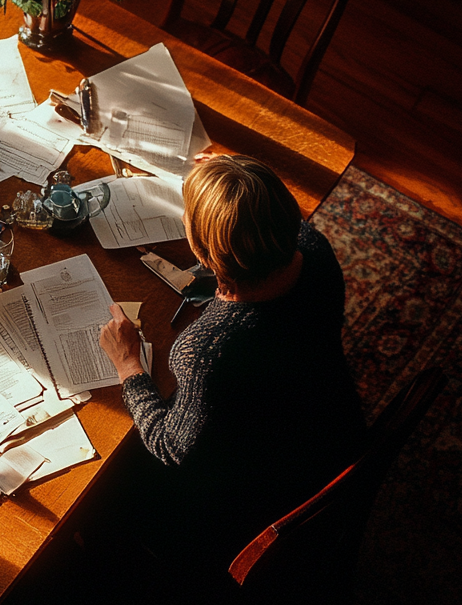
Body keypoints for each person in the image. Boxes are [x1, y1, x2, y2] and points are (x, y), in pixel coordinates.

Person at [99, 154, 365, 573]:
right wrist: (233, 179)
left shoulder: (209, 351)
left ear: (206, 253)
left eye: (190, 219)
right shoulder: (314, 248)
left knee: (105, 483)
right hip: (328, 427)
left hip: (244, 500)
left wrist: (128, 365)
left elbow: (171, 446)